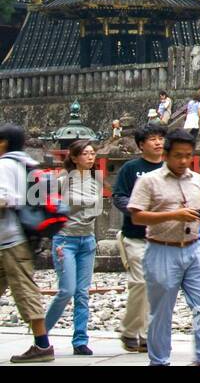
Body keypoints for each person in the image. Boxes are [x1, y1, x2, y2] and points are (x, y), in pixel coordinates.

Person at [127, 132, 200, 366]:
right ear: (166, 155)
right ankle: (159, 361)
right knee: (161, 312)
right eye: (178, 156)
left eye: (188, 156)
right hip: (161, 249)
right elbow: (137, 216)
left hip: (194, 247)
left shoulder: (198, 180)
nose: (183, 161)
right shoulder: (149, 181)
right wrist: (173, 215)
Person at [0, 123, 54, 363]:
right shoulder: (29, 164)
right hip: (25, 236)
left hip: (11, 238)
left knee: (24, 289)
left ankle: (42, 345)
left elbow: (4, 198)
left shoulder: (4, 165)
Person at [43, 139, 103, 356]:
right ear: (75, 157)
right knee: (66, 290)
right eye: (85, 153)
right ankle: (41, 335)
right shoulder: (62, 180)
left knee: (82, 293)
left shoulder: (96, 181)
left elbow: (96, 208)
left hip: (87, 240)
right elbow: (47, 204)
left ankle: (80, 340)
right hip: (65, 240)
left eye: (92, 153)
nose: (90, 156)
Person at [113, 122, 166, 353]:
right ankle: (133, 330)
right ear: (141, 144)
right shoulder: (131, 168)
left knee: (159, 287)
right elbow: (119, 197)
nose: (158, 142)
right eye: (152, 139)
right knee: (141, 283)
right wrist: (138, 211)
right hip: (135, 236)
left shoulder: (169, 168)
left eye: (160, 138)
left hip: (163, 238)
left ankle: (142, 334)